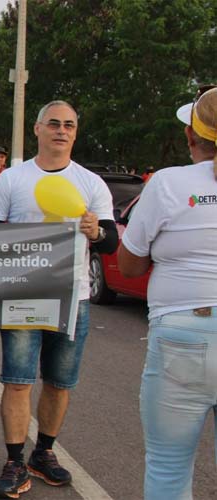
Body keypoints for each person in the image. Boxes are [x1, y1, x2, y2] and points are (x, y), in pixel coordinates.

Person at [0, 100, 118, 498]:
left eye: (70, 125)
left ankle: (43, 453)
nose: (61, 130)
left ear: (75, 133)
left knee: (59, 384)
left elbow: (110, 243)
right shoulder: (12, 180)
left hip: (74, 297)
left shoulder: (91, 183)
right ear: (38, 129)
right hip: (24, 295)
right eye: (54, 123)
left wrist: (95, 232)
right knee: (18, 381)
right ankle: (14, 461)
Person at [118, 87, 217, 500]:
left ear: (189, 136)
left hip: (184, 331)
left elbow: (130, 264)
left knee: (169, 468)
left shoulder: (168, 183)